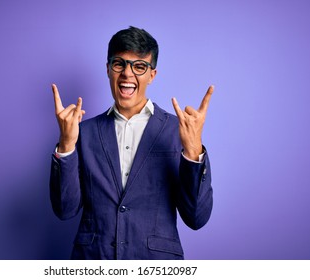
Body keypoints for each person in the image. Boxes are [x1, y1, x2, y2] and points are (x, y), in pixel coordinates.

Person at [49, 26, 214, 260]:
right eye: (119, 64)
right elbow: (65, 210)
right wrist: (66, 145)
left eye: (139, 66)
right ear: (108, 70)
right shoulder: (82, 132)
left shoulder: (178, 130)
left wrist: (194, 150)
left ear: (152, 75)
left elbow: (196, 218)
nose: (128, 74)